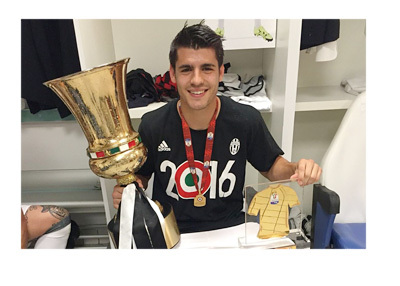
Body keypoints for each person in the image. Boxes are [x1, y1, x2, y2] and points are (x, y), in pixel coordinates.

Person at [112, 21, 322, 233]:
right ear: (173, 74)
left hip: (231, 231)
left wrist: (296, 169)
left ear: (220, 72)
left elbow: (271, 166)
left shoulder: (245, 119)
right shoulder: (152, 124)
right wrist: (129, 190)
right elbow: (142, 176)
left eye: (207, 69)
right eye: (186, 69)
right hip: (171, 232)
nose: (197, 80)